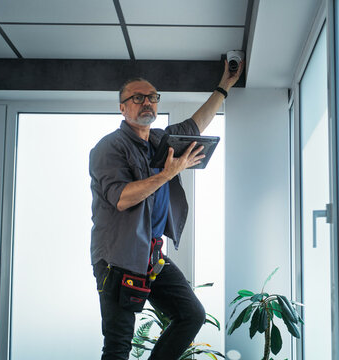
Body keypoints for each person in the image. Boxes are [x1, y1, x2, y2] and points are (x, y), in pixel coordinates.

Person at [89, 60, 243, 360]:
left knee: (191, 315)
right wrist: (168, 174)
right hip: (118, 259)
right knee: (119, 345)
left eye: (152, 97)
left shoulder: (161, 140)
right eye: (137, 97)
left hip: (151, 255)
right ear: (123, 108)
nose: (147, 102)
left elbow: (196, 124)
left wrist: (225, 86)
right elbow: (121, 198)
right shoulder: (109, 147)